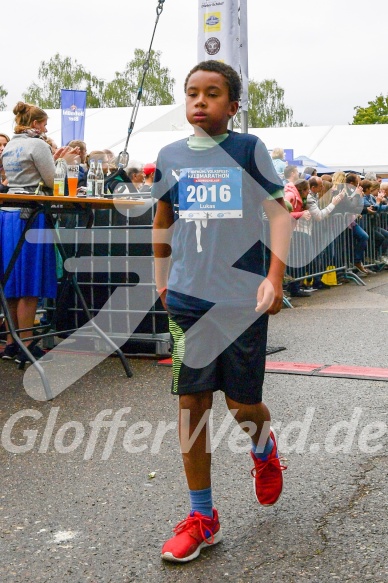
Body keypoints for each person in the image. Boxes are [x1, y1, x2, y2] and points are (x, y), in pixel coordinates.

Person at [152, 60, 291, 563]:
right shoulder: (169, 155)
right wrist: (162, 277)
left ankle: (263, 449)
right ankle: (202, 516)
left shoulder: (247, 149)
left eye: (212, 94)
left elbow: (279, 212)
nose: (200, 102)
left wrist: (273, 278)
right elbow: (164, 218)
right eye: (192, 93)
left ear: (232, 106)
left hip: (241, 299)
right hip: (189, 301)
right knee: (192, 405)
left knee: (241, 406)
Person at [0, 101, 77, 363]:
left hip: (9, 215)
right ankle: (28, 344)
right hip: (31, 217)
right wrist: (64, 163)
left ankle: (12, 342)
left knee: (11, 283)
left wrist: (52, 160)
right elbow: (52, 183)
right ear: (35, 124)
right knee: (30, 284)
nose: (45, 128)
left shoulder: (10, 144)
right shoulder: (38, 144)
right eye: (44, 124)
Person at [284, 167, 312, 297]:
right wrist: (301, 213)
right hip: (288, 231)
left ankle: (295, 286)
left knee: (297, 258)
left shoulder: (297, 197)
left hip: (291, 230)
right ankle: (293, 287)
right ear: (304, 190)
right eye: (308, 190)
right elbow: (284, 213)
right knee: (295, 259)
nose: (309, 193)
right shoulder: (290, 195)